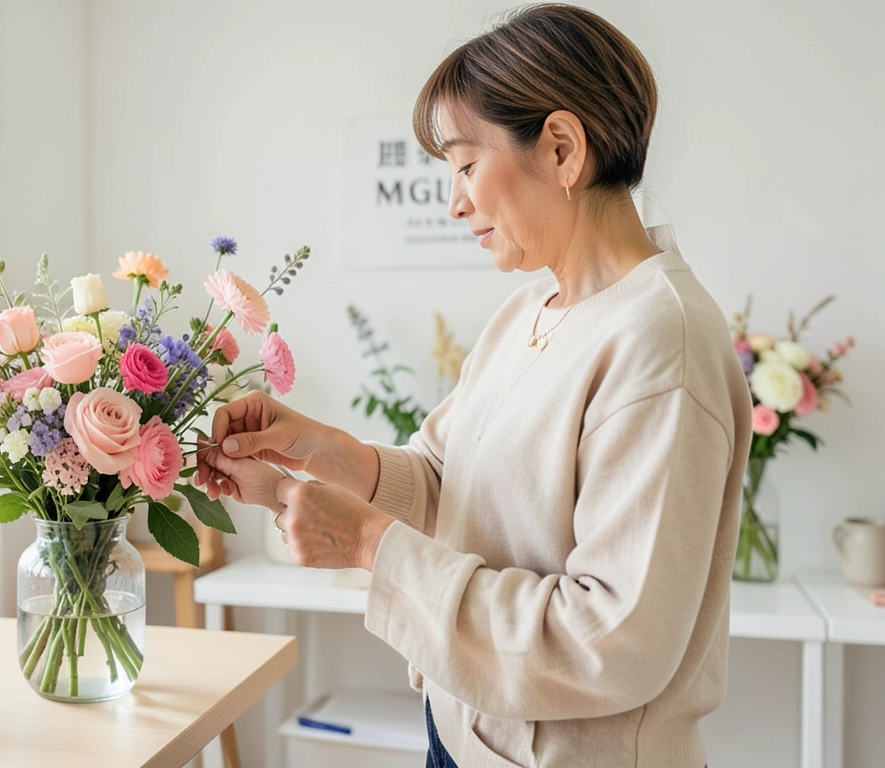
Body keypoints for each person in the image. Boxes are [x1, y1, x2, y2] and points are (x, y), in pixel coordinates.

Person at [195, 5, 752, 767]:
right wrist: (314, 454)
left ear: (560, 148)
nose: (454, 202)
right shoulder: (530, 311)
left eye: (464, 165)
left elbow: (610, 642)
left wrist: (363, 540)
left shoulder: (661, 339)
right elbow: (447, 483)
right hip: (463, 730)